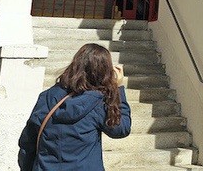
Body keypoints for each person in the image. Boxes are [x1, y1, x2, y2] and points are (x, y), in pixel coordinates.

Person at [19, 43, 131, 171]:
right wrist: (119, 89)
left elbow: (28, 142)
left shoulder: (48, 97)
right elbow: (121, 129)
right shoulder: (97, 103)